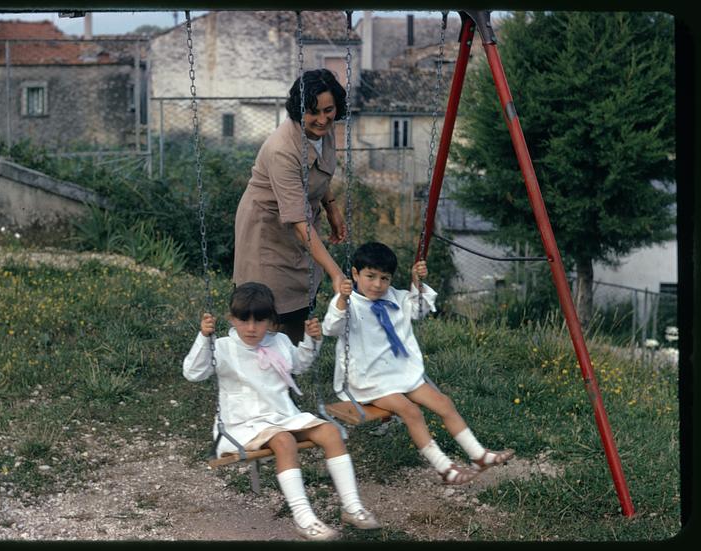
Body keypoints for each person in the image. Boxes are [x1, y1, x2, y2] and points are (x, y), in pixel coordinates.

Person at [183, 282, 379, 540]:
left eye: (260, 321)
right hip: (244, 425)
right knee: (283, 441)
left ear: (271, 321)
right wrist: (204, 337)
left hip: (283, 416)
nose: (251, 328)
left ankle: (352, 507)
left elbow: (300, 364)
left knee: (331, 432)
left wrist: (312, 340)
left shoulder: (280, 341)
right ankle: (304, 518)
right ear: (231, 319)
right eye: (244, 320)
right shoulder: (221, 347)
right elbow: (193, 373)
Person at [322, 242, 514, 485]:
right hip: (367, 380)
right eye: (370, 276)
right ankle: (444, 468)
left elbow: (420, 309)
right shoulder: (348, 302)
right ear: (355, 274)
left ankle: (479, 455)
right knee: (410, 411)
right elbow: (331, 328)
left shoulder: (397, 298)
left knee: (444, 403)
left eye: (385, 278)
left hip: (399, 373)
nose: (377, 285)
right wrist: (342, 300)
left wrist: (417, 282)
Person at [233, 68, 348, 345]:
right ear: (298, 111)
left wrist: (331, 206)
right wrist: (337, 273)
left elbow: (315, 174)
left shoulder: (324, 132)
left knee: (299, 293)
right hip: (267, 225)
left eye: (328, 110)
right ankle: (253, 367)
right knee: (268, 298)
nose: (322, 120)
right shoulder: (281, 149)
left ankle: (291, 363)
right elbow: (298, 223)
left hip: (302, 218)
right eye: (313, 113)